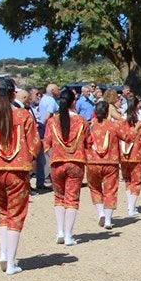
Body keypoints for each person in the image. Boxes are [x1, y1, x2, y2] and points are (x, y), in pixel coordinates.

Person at [0, 77, 41, 275]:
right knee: (16, 214)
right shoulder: (23, 116)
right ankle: (11, 262)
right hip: (17, 171)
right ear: (14, 94)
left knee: (3, 212)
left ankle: (4, 254)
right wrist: (30, 157)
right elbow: (34, 144)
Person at [44, 88, 88, 245]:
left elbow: (46, 143)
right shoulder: (82, 121)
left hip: (57, 163)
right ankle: (69, 234)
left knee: (59, 197)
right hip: (75, 163)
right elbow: (88, 142)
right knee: (72, 198)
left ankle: (60, 231)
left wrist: (52, 157)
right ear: (73, 102)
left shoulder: (52, 122)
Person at [85, 100, 121, 229]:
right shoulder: (113, 126)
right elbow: (128, 137)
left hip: (92, 162)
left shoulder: (89, 126)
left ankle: (101, 212)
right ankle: (108, 219)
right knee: (110, 190)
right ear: (107, 112)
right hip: (110, 162)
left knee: (95, 188)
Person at [116, 98, 141, 216]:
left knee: (127, 179)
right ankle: (132, 207)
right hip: (137, 154)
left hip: (123, 154)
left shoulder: (121, 121)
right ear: (137, 106)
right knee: (136, 181)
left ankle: (129, 204)